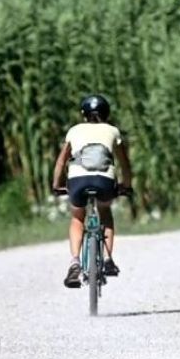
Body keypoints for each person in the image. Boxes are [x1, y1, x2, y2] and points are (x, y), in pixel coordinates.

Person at [52, 94, 132, 288]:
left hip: (77, 181)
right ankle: (107, 258)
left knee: (78, 217)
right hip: (104, 181)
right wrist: (126, 185)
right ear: (107, 113)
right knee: (105, 213)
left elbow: (61, 161)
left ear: (83, 114)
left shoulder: (74, 130)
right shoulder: (113, 131)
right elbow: (124, 163)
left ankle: (74, 262)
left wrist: (56, 185)